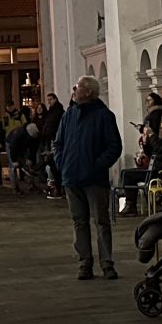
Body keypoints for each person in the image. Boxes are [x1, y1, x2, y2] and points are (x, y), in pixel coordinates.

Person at [56, 76, 123, 279]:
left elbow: (114, 146)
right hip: (72, 178)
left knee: (101, 221)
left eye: (78, 87)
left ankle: (106, 263)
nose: (74, 90)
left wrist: (95, 166)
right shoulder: (69, 115)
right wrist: (62, 164)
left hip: (94, 179)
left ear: (89, 92)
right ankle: (85, 262)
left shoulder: (104, 116)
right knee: (79, 221)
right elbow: (58, 143)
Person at [39, 92, 65, 196]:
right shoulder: (51, 112)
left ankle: (58, 187)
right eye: (48, 100)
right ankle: (54, 185)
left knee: (54, 164)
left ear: (55, 99)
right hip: (50, 140)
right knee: (50, 164)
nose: (49, 102)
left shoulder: (59, 112)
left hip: (55, 140)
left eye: (50, 99)